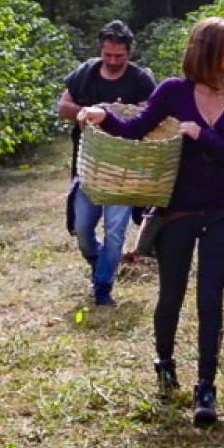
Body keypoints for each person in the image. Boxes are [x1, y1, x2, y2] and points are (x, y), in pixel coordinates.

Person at [79, 17, 224, 427]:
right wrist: (101, 115)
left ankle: (206, 388)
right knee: (171, 294)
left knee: (210, 297)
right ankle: (164, 361)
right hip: (176, 211)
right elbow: (135, 130)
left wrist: (203, 135)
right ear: (207, 49)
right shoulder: (173, 92)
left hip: (222, 211)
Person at [57, 20, 156, 306]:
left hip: (123, 168)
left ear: (129, 53)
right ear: (100, 50)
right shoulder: (84, 74)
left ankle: (103, 288)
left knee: (115, 231)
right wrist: (87, 112)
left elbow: (152, 116)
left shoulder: (140, 80)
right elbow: (63, 106)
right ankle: (99, 262)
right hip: (88, 165)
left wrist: (119, 116)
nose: (112, 62)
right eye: (108, 55)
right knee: (83, 230)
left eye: (119, 57)